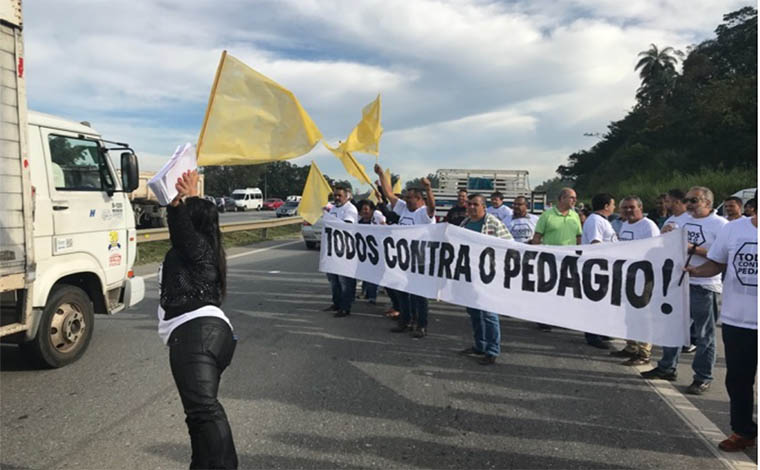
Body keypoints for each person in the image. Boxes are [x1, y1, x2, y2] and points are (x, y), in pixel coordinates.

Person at [158, 170, 237, 469]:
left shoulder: (197, 247)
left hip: (196, 335)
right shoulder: (207, 250)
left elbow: (180, 229)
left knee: (204, 412)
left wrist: (181, 202)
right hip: (205, 336)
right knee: (197, 416)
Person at [642, 186, 728, 394]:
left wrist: (693, 249)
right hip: (680, 283)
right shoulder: (683, 221)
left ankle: (702, 377)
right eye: (687, 200)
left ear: (707, 203)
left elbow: (722, 256)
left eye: (694, 201)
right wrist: (667, 238)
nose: (688, 204)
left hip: (705, 287)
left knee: (704, 335)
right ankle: (666, 367)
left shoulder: (720, 225)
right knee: (673, 327)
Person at [684, 210, 757, 451]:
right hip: (739, 320)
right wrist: (695, 272)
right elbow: (716, 263)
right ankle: (743, 431)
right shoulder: (734, 229)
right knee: (738, 380)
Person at [375, 164, 434, 338]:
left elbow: (432, 207)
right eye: (406, 198)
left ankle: (421, 324)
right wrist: (382, 176)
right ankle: (405, 321)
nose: (407, 200)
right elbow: (389, 194)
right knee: (402, 292)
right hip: (402, 258)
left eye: (411, 198)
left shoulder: (423, 213)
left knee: (418, 295)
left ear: (419, 200)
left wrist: (429, 189)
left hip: (420, 260)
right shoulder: (403, 208)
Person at [458, 194, 512, 365]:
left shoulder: (493, 223)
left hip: (489, 275)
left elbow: (509, 245)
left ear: (484, 207)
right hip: (470, 275)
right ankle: (479, 345)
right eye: (470, 204)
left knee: (489, 313)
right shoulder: (465, 224)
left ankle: (492, 350)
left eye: (476, 204)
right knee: (473, 312)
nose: (472, 207)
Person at [609, 196, 660, 364]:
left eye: (632, 207)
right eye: (625, 208)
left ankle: (644, 352)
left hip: (644, 277)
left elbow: (654, 251)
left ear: (640, 207)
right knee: (628, 315)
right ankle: (631, 346)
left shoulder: (648, 226)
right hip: (627, 275)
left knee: (643, 315)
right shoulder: (625, 225)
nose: (628, 211)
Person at [531, 188, 582, 331]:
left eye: (575, 198)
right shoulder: (547, 215)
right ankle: (544, 319)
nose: (574, 200)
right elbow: (537, 238)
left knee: (566, 290)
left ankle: (562, 319)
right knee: (548, 289)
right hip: (550, 259)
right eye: (571, 197)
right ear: (562, 199)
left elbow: (579, 237)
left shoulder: (575, 216)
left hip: (570, 260)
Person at [580, 193, 617, 349]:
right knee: (596, 302)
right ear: (606, 206)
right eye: (613, 204)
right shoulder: (595, 221)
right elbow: (597, 243)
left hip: (604, 267)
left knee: (603, 302)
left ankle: (601, 330)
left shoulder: (601, 221)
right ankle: (592, 335)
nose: (614, 208)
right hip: (598, 267)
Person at [323, 184, 359, 317]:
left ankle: (345, 307)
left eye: (340, 195)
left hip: (345, 251)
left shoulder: (350, 209)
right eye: (335, 195)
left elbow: (346, 226)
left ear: (347, 196)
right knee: (334, 280)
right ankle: (336, 303)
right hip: (333, 249)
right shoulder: (333, 208)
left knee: (345, 281)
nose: (337, 198)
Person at [357, 200, 385, 304]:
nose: (364, 212)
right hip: (362, 253)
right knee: (364, 274)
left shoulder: (376, 220)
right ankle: (366, 292)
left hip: (376, 253)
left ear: (372, 210)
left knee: (373, 276)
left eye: (366, 209)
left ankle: (372, 297)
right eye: (362, 210)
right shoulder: (358, 222)